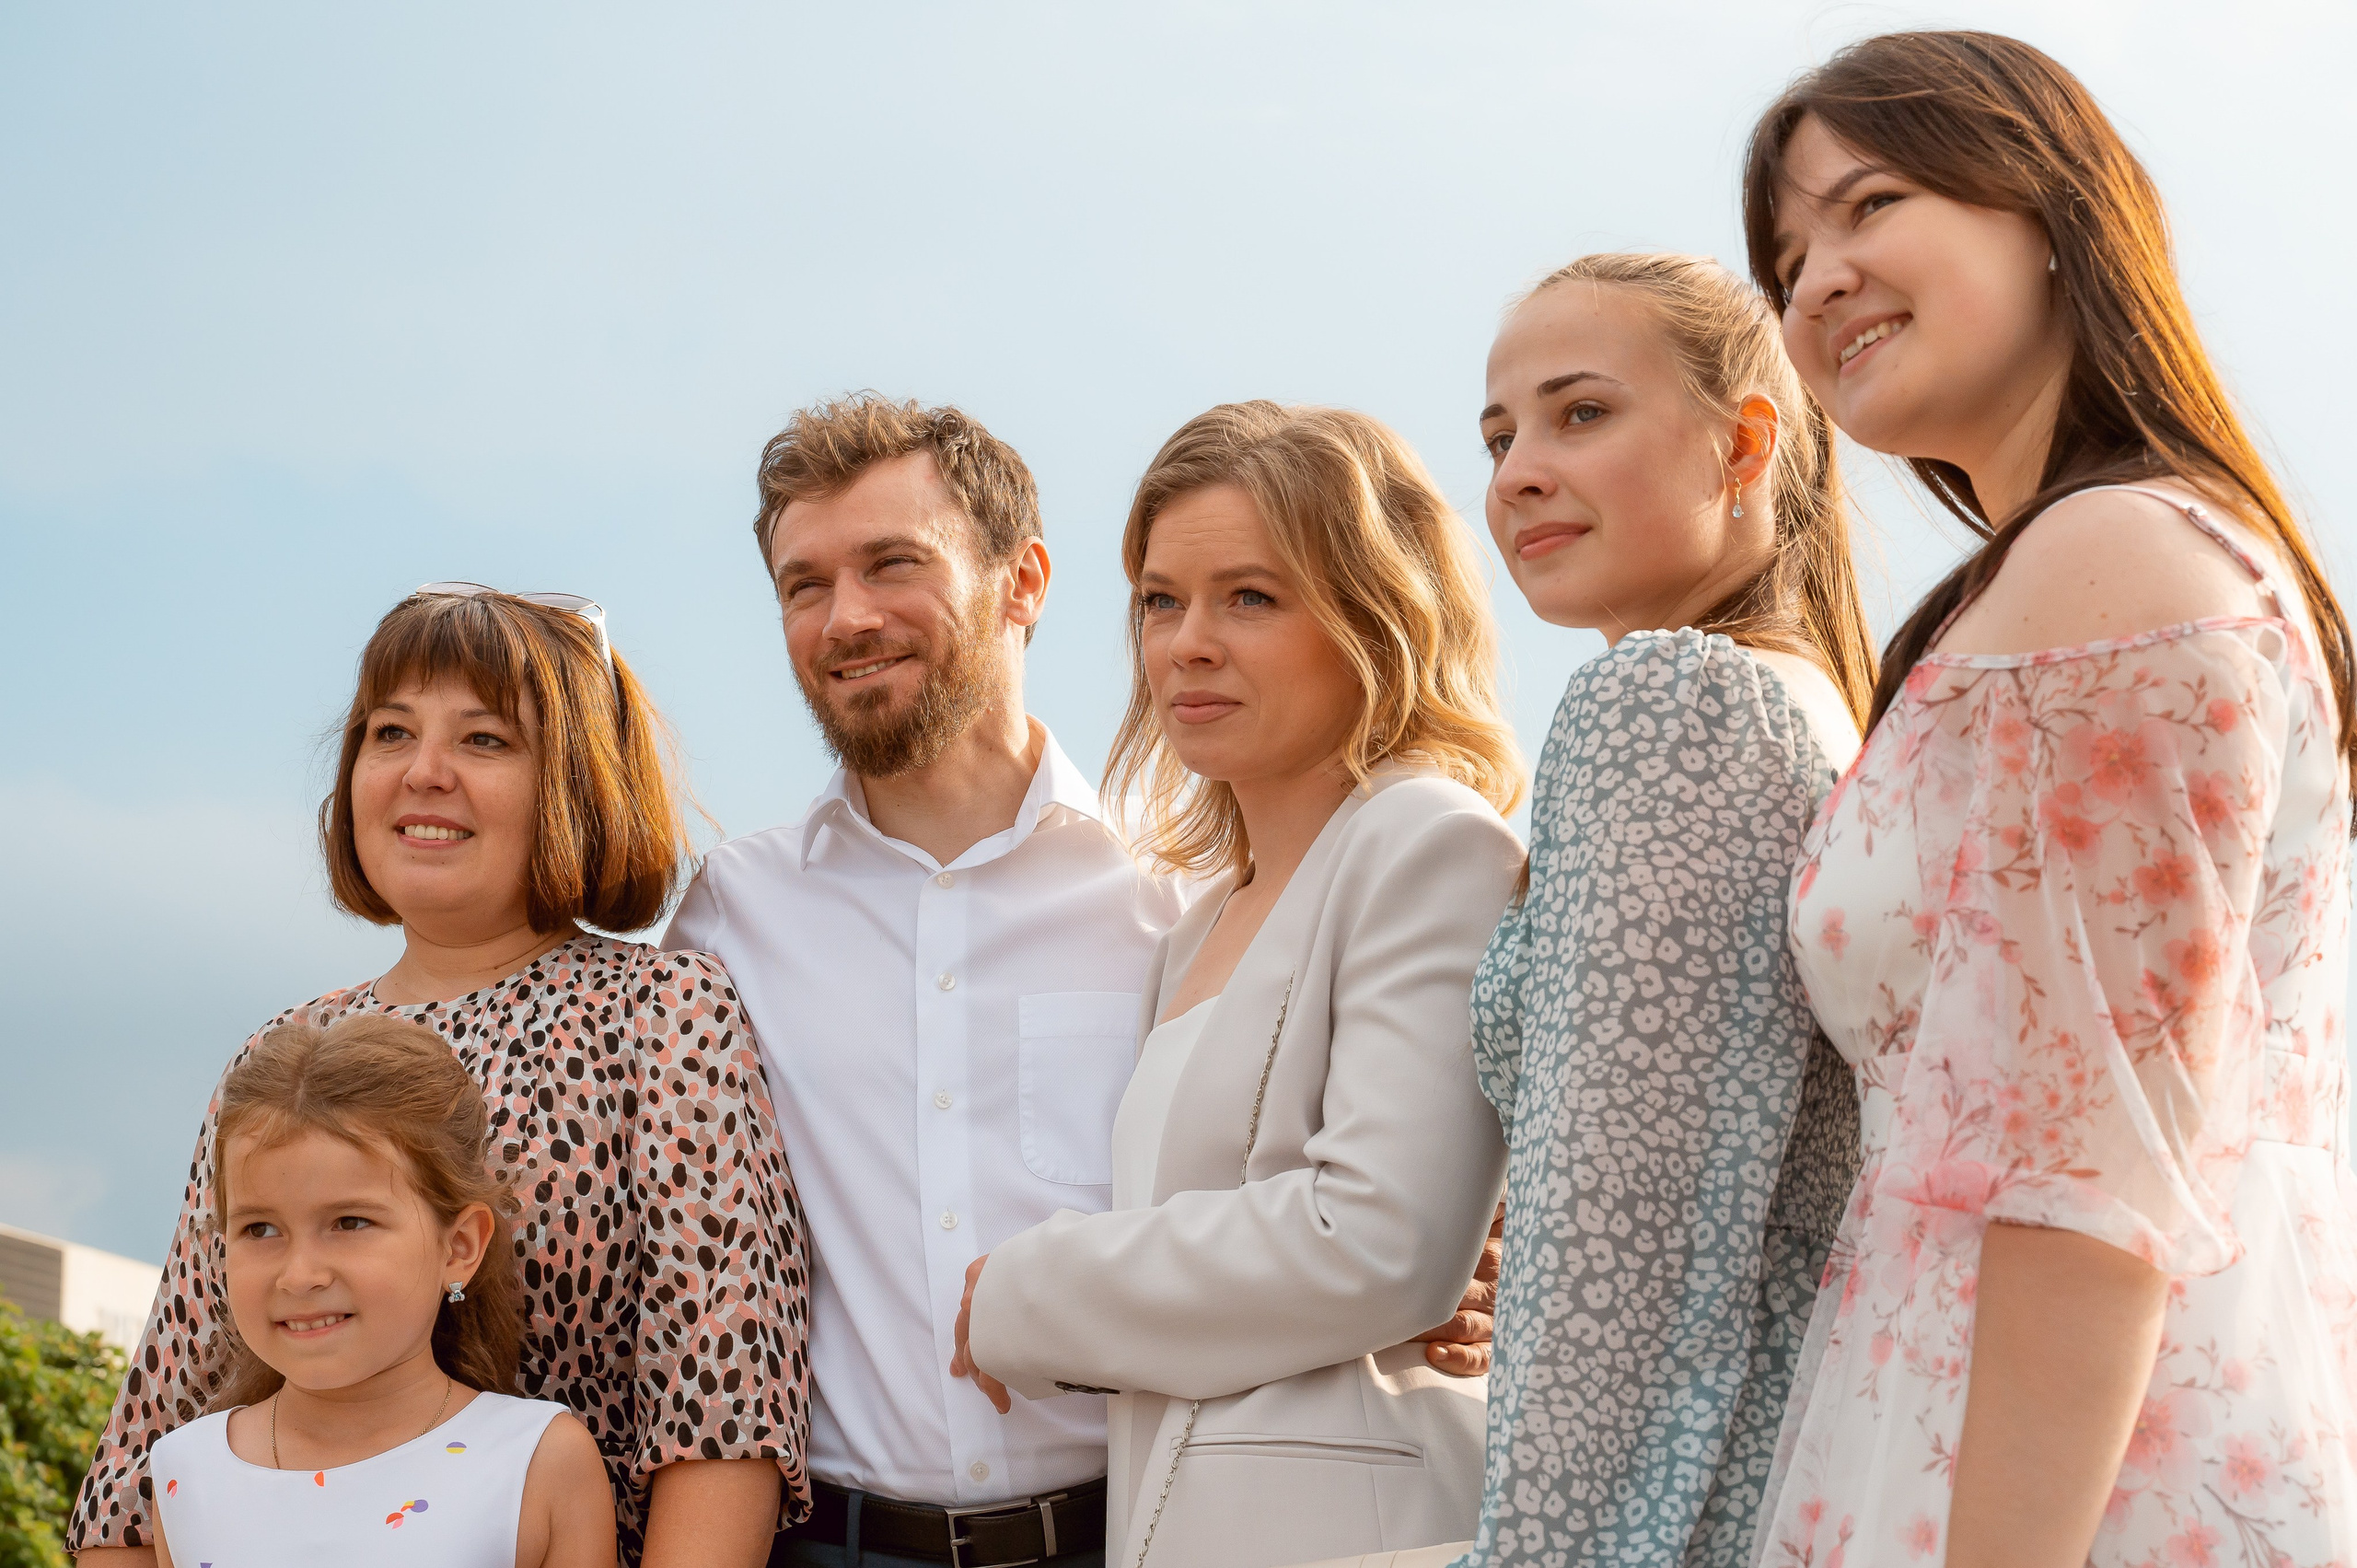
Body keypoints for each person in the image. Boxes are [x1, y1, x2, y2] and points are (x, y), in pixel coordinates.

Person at [666, 395, 1498, 1568]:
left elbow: (1350, 1208)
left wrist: (1454, 1256)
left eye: (890, 563)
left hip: (1139, 1523)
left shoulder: (1174, 893)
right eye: (804, 584)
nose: (846, 615)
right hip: (836, 1543)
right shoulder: (724, 917)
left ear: (1024, 582)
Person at [1745, 30, 2357, 1568]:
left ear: (2053, 210)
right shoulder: (2042, 585)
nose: (1817, 279)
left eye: (1870, 204)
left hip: (2063, 1466)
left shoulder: (2121, 570)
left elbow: (2089, 1176)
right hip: (1980, 1410)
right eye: (1786, 254)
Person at [73, 585, 811, 1568]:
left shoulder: (663, 1015)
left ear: (575, 781)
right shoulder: (282, 1053)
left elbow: (721, 1406)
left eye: (484, 740)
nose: (424, 772)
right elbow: (140, 1463)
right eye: (390, 733)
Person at [950, 401, 1526, 1568]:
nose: (1186, 642)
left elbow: (1376, 1242)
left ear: (1373, 615)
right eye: (1161, 600)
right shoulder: (1201, 913)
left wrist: (1021, 1291)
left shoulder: (1428, 839)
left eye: (1250, 597)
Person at [1420, 251, 1868, 1568]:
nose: (1517, 473)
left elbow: (1618, 1275)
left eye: (1582, 412)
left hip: (1685, 1505)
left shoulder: (1670, 706)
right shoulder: (1803, 701)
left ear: (1742, 445)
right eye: (1500, 436)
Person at [150, 1015, 614, 1568]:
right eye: (260, 1229)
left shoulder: (538, 1461)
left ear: (459, 1247)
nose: (300, 1276)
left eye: (350, 1223)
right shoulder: (185, 1470)